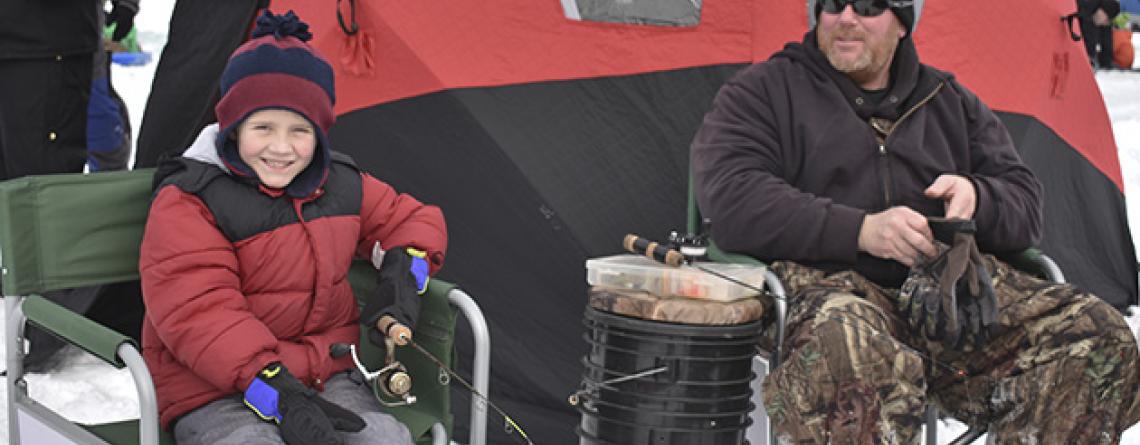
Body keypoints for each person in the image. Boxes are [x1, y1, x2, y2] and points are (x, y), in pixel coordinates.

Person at [691, 0, 1140, 443]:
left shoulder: (949, 102)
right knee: (850, 351)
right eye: (831, 3)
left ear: (902, 22)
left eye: (868, 6)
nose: (846, 17)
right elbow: (733, 199)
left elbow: (1025, 203)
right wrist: (861, 231)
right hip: (823, 292)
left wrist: (978, 198)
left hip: (947, 300)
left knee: (1096, 335)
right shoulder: (763, 93)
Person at [138, 11, 447, 445]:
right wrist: (276, 393)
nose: (281, 148)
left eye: (299, 131)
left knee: (382, 436)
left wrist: (404, 271)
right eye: (262, 127)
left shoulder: (339, 184)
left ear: (319, 133)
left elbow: (410, 220)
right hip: (212, 386)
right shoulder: (190, 201)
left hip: (325, 374)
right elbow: (199, 313)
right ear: (232, 127)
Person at [1079, 0, 1122, 68]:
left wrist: (1107, 62)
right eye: (1107, 19)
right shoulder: (1082, 10)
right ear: (1102, 10)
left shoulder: (1095, 16)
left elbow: (1106, 41)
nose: (1105, 23)